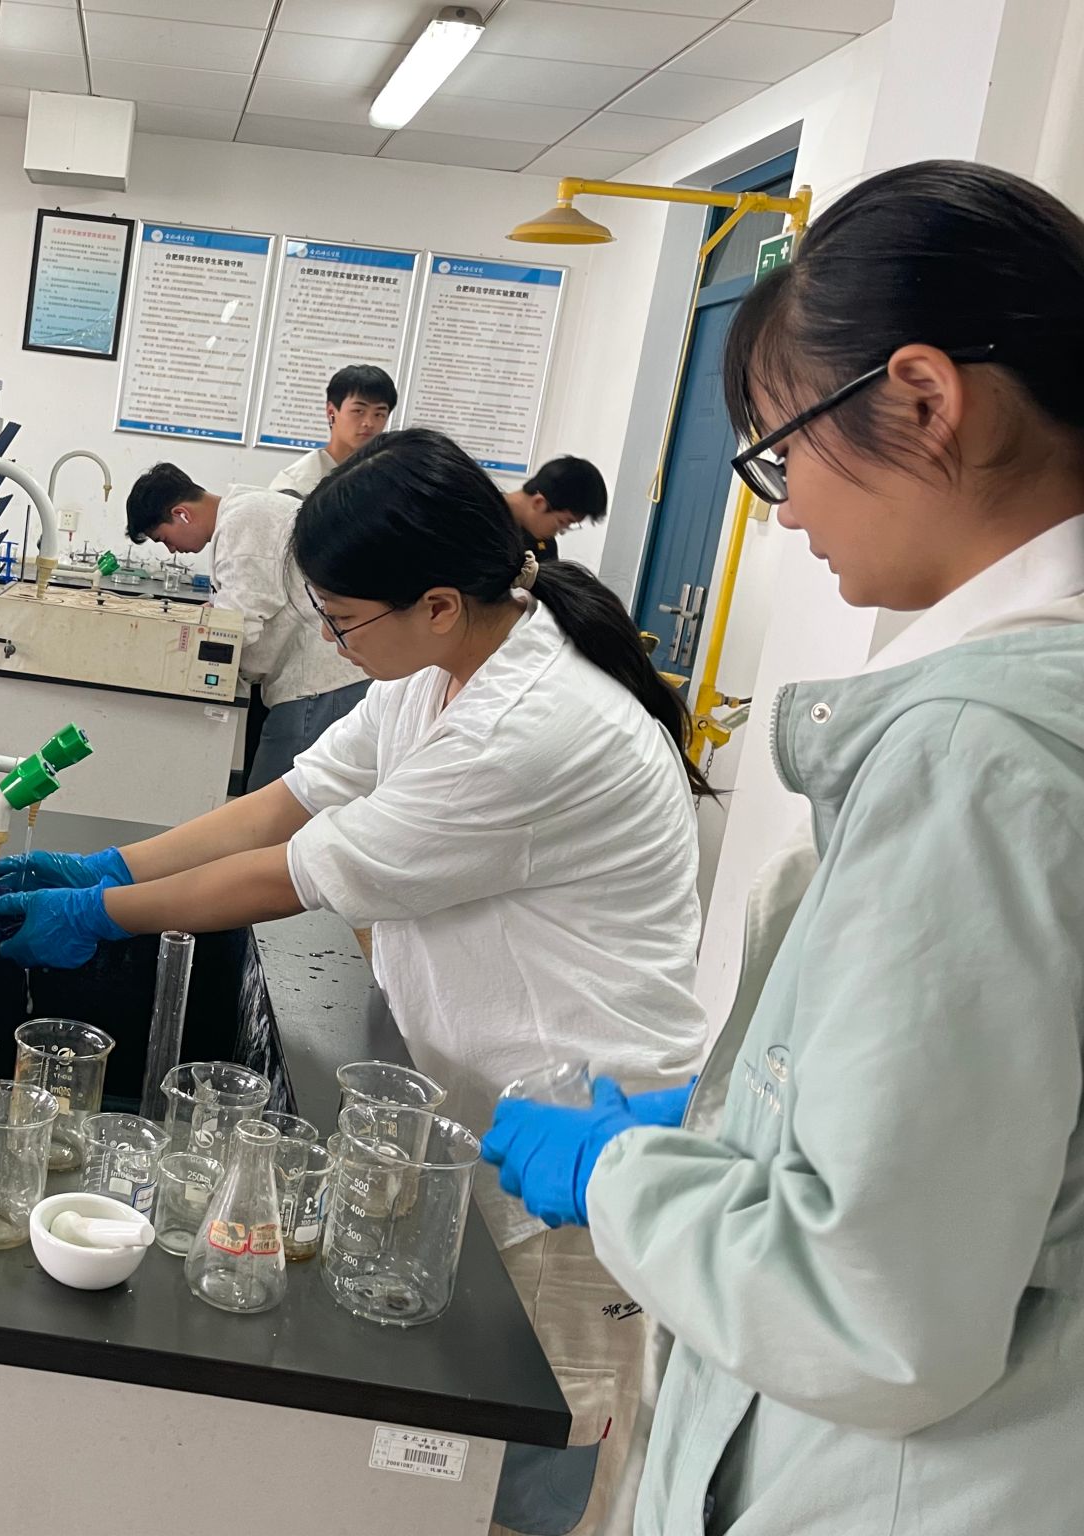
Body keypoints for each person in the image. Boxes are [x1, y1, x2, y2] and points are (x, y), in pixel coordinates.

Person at [482, 159, 1084, 1535]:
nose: (781, 506)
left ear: (923, 400)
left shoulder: (976, 755)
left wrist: (619, 1178)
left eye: (780, 448)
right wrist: (732, 1134)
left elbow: (871, 1309)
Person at [0, 427, 713, 1535]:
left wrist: (102, 916)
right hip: (489, 1107)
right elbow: (287, 801)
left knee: (547, 1467)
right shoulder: (449, 669)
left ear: (436, 602)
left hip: (586, 1140)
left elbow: (293, 873)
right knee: (469, 1454)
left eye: (342, 621)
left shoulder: (524, 727)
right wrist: (112, 866)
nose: (331, 641)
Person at [125, 463, 369, 789]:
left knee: (271, 803)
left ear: (181, 514)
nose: (171, 550)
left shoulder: (243, 522)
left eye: (164, 539)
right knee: (284, 798)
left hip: (318, 686)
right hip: (317, 680)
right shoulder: (245, 510)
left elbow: (239, 624)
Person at [270, 364, 396, 499]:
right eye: (358, 411)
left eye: (379, 414)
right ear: (331, 412)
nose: (369, 423)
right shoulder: (296, 485)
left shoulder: (390, 479)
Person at [506, 455, 609, 561]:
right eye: (562, 522)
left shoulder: (544, 541)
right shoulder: (494, 525)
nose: (561, 532)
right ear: (539, 503)